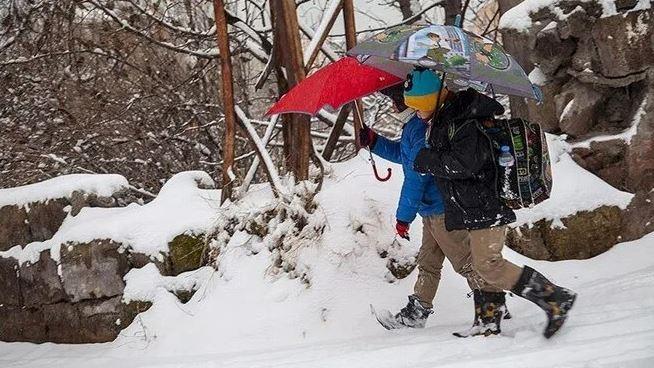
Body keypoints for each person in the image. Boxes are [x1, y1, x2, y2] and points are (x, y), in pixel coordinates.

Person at [413, 87, 577, 338]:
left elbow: (465, 164)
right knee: (482, 265)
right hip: (475, 205)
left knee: (488, 264)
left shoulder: (464, 122)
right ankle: (488, 321)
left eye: (417, 105)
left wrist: (428, 160)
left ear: (428, 99)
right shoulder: (452, 120)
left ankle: (555, 297)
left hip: (486, 204)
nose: (415, 111)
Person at [360, 69, 510, 335]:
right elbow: (405, 157)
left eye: (396, 102)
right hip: (430, 210)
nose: (393, 107)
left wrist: (403, 217)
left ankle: (494, 305)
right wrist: (376, 142)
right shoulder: (413, 127)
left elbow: (415, 179)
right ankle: (416, 313)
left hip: (441, 208)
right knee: (429, 262)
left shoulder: (420, 128)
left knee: (464, 260)